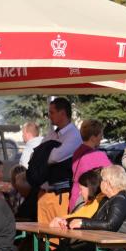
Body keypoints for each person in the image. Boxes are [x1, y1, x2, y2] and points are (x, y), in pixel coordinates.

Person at [36, 97, 82, 229]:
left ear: (62, 113)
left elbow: (54, 157)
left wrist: (41, 156)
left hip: (60, 195)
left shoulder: (73, 135)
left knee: (58, 235)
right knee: (43, 235)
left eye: (52, 112)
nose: (49, 116)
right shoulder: (52, 134)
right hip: (44, 193)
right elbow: (36, 154)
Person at [69, 119, 112, 212]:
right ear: (93, 137)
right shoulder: (96, 155)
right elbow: (113, 174)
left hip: (75, 197)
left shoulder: (77, 151)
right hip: (86, 200)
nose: (101, 138)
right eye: (100, 135)